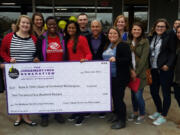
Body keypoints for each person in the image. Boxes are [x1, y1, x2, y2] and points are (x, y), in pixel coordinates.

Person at [0, 15, 37, 126]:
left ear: (30, 26)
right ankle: (18, 116)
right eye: (23, 23)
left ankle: (26, 117)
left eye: (28, 23)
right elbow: (2, 52)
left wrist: (36, 58)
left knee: (27, 94)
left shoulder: (33, 38)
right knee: (16, 94)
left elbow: (36, 53)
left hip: (28, 72)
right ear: (18, 24)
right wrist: (8, 59)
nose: (25, 25)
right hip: (14, 72)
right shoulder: (9, 37)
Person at [34, 16, 66, 127]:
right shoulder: (41, 38)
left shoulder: (62, 37)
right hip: (46, 71)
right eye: (50, 24)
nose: (52, 26)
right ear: (47, 25)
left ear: (57, 25)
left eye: (54, 24)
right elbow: (37, 53)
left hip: (61, 71)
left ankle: (57, 114)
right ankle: (44, 116)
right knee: (45, 94)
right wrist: (37, 58)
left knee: (58, 92)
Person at [148, 19, 176, 126]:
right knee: (153, 91)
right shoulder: (152, 37)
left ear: (166, 28)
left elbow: (173, 53)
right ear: (155, 27)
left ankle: (163, 116)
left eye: (162, 26)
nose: (160, 28)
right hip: (153, 69)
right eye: (158, 26)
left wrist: (168, 65)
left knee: (165, 93)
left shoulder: (170, 37)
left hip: (164, 69)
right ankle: (159, 111)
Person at [102, 27, 131, 129]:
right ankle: (117, 114)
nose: (112, 35)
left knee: (119, 99)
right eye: (110, 33)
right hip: (109, 77)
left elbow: (128, 60)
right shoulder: (108, 45)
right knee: (114, 98)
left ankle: (122, 120)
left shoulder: (123, 45)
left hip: (120, 77)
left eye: (115, 33)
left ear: (119, 35)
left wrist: (116, 59)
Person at [64, 21, 92, 126]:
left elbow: (89, 53)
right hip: (70, 70)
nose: (71, 30)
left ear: (77, 29)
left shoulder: (81, 38)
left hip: (80, 70)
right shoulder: (66, 39)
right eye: (69, 28)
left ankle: (81, 114)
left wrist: (86, 59)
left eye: (73, 28)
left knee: (80, 93)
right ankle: (75, 112)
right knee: (73, 93)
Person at [127, 22, 149, 124]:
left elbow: (144, 60)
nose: (136, 31)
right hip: (131, 73)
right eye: (134, 29)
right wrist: (131, 71)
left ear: (142, 31)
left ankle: (142, 114)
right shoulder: (128, 42)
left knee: (138, 95)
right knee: (132, 94)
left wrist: (136, 72)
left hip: (140, 74)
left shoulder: (145, 42)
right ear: (131, 31)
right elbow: (127, 59)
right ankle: (135, 112)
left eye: (138, 30)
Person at [86, 20, 108, 118]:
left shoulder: (106, 38)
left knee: (101, 89)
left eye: (97, 26)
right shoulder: (86, 38)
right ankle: (90, 108)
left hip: (102, 68)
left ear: (101, 28)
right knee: (90, 88)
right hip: (88, 68)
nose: (95, 28)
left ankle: (102, 109)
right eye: (93, 26)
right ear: (91, 28)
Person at [174, 25, 180, 128]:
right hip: (177, 76)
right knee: (177, 96)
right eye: (178, 32)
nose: (179, 34)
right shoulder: (177, 44)